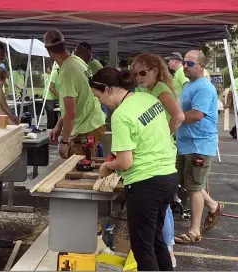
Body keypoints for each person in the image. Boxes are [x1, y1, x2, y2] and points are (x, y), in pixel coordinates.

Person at [91, 67, 178, 271]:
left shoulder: (121, 115)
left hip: (146, 184)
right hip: (168, 176)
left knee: (142, 247)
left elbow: (125, 162)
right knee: (156, 240)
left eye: (98, 96)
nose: (100, 102)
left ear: (107, 89)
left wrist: (107, 166)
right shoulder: (147, 99)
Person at [132, 53, 185, 267]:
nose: (138, 78)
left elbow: (178, 116)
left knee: (159, 218)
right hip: (156, 155)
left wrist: (165, 135)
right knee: (157, 222)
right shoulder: (148, 90)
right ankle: (166, 251)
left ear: (156, 70)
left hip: (160, 158)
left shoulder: (161, 89)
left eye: (143, 73)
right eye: (135, 74)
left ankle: (169, 248)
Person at [174, 50, 224, 244]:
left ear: (202, 67)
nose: (185, 66)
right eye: (185, 63)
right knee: (189, 183)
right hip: (186, 143)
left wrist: (173, 121)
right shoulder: (188, 85)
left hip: (200, 144)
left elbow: (196, 114)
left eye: (190, 64)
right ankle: (213, 206)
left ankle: (194, 231)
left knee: (194, 187)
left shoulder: (204, 88)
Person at [44, 29, 106, 159]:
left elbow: (71, 113)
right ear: (65, 45)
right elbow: (75, 103)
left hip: (85, 128)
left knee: (80, 170)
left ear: (49, 51)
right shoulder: (77, 61)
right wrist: (58, 125)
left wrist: (64, 141)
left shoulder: (67, 72)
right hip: (94, 122)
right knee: (92, 164)